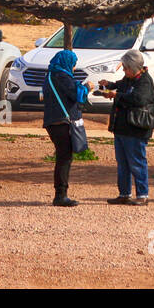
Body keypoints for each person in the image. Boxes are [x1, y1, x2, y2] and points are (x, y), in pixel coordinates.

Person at [98, 49, 154, 205]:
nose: (124, 70)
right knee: (123, 163)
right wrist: (109, 85)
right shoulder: (130, 78)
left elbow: (138, 99)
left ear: (133, 67)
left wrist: (116, 95)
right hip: (122, 128)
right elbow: (121, 85)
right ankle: (124, 193)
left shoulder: (144, 81)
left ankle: (142, 195)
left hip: (135, 129)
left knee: (137, 162)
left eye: (125, 68)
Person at [42, 48, 87, 207]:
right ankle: (60, 195)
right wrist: (87, 87)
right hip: (62, 123)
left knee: (63, 156)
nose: (74, 68)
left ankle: (60, 194)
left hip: (52, 121)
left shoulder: (49, 76)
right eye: (73, 64)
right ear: (67, 63)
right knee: (64, 158)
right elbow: (75, 94)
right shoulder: (62, 77)